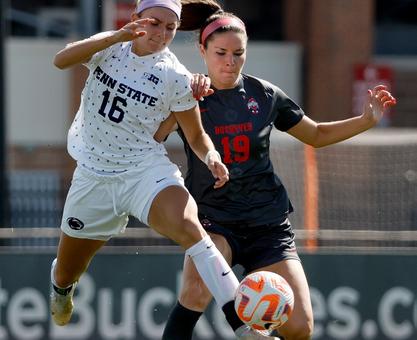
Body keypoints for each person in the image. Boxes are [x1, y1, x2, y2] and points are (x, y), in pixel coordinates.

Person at [157, 1, 397, 340]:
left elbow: (315, 135)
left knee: (300, 328)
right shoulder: (186, 94)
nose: (230, 62)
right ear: (202, 49)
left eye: (238, 53)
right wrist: (180, 98)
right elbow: (154, 137)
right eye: (221, 52)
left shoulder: (265, 95)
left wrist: (366, 120)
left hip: (267, 225)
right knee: (195, 293)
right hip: (214, 220)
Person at [49, 1, 266, 339]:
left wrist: (211, 157)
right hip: (93, 175)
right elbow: (60, 60)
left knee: (190, 227)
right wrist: (114, 37)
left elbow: (195, 135)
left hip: (143, 171)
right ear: (137, 19)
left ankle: (243, 324)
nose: (162, 34)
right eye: (155, 23)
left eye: (171, 28)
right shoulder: (110, 45)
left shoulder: (174, 75)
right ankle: (61, 290)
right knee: (66, 273)